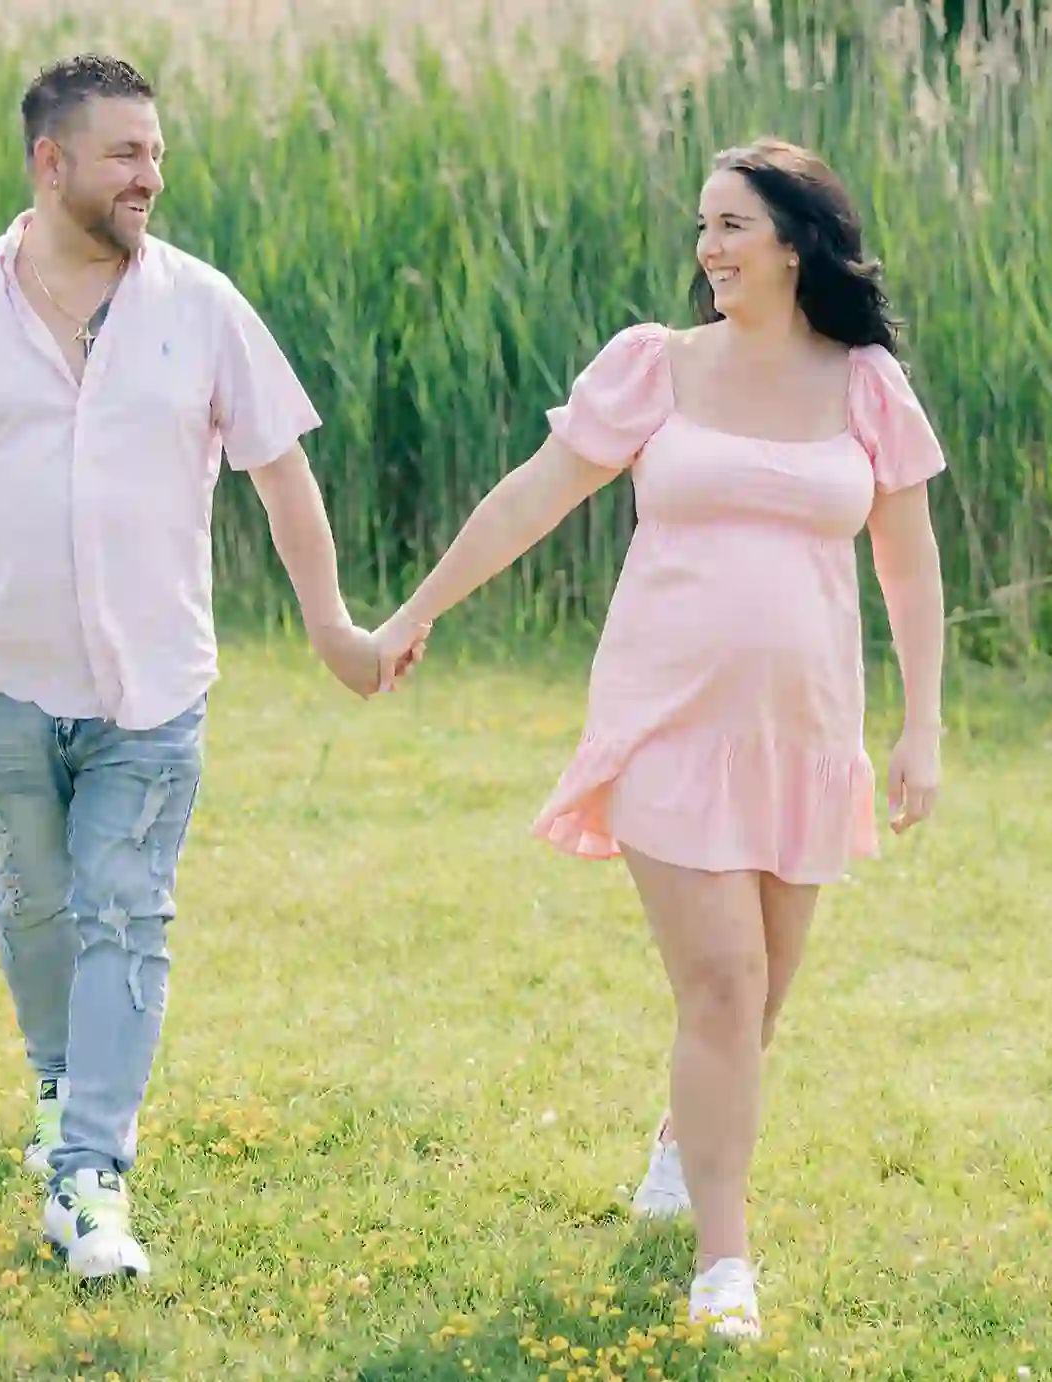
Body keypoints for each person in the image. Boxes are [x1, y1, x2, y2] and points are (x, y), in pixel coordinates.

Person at [369, 137, 950, 1339]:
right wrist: (414, 611)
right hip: (668, 722)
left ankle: (685, 1140)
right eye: (702, 227)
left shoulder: (865, 384)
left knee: (758, 997)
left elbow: (908, 558)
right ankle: (721, 1264)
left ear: (793, 241)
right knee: (725, 983)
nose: (708, 249)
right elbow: (533, 494)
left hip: (804, 732)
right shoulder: (656, 367)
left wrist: (921, 725)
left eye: (730, 225)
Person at [0, 53, 378, 1281]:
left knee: (125, 914)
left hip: (153, 688)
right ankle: (58, 1087)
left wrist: (331, 623)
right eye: (126, 154)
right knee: (31, 908)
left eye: (155, 151)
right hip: (2, 677)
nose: (152, 174)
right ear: (51, 164)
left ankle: (91, 1173)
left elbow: (282, 475)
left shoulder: (200, 306)